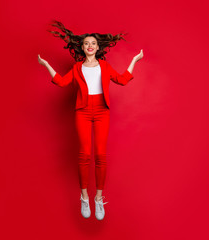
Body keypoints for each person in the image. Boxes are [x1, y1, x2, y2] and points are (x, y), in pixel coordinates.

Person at [38, 20, 144, 220]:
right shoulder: (77, 68)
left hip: (102, 111)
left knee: (101, 156)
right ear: (82, 47)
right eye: (86, 43)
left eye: (93, 43)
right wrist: (46, 64)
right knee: (85, 154)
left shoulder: (104, 66)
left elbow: (121, 80)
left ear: (97, 47)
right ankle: (84, 196)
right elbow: (61, 82)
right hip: (83, 111)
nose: (89, 46)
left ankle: (98, 198)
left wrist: (134, 61)